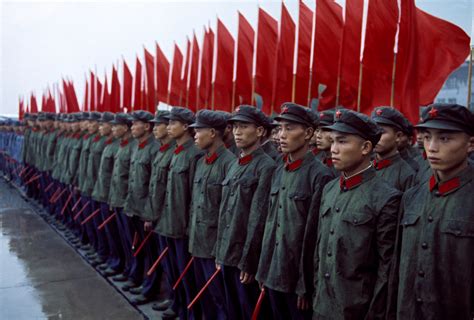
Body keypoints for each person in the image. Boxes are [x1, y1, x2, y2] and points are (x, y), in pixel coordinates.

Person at [313, 109, 401, 319]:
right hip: (322, 305)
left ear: (365, 147)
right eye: (333, 141)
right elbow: (319, 248)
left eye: (342, 142)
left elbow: (386, 268)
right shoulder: (330, 189)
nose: (334, 149)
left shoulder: (386, 197)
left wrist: (374, 314)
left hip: (356, 310)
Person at [396, 104, 474, 319]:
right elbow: (397, 271)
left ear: (470, 144)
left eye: (445, 138)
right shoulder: (412, 196)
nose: (431, 147)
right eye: (427, 137)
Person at [256, 103, 333, 319]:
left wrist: (304, 285)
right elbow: (270, 222)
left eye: (289, 128)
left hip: (295, 278)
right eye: (280, 129)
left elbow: (314, 238)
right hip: (273, 269)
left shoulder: (320, 175)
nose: (281, 135)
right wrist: (263, 269)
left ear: (308, 133)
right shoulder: (279, 169)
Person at [214, 105, 276, 319]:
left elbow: (258, 219)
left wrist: (249, 262)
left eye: (243, 127)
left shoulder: (266, 167)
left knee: (248, 310)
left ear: (259, 131)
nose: (237, 132)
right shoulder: (234, 164)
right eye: (235, 127)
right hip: (227, 250)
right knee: (232, 307)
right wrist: (219, 251)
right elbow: (224, 212)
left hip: (244, 257)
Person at [154, 107, 203, 320]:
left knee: (186, 275)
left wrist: (189, 227)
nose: (168, 127)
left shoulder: (194, 154)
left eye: (173, 123)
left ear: (186, 127)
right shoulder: (176, 151)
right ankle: (177, 303)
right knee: (172, 269)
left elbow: (193, 196)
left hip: (183, 227)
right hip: (168, 222)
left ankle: (188, 312)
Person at [188, 110, 236, 319]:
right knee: (205, 296)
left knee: (221, 300)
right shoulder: (201, 162)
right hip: (198, 241)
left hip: (215, 247)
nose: (195, 135)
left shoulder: (230, 164)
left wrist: (221, 250)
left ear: (213, 133)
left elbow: (229, 214)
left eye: (199, 131)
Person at [371, 107, 416, 191]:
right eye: (374, 131)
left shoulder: (406, 174)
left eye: (382, 132)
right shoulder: (365, 168)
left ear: (398, 136)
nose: (376, 136)